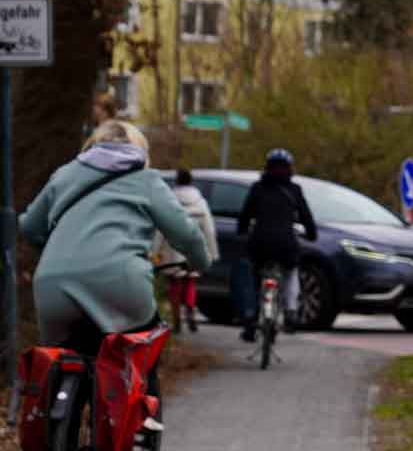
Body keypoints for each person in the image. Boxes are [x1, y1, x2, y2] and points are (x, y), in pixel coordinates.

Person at [20, 119, 212, 365]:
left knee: (59, 362)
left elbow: (28, 227)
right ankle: (140, 396)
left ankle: (51, 401)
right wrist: (200, 263)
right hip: (121, 284)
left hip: (54, 286)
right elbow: (187, 235)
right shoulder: (147, 181)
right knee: (143, 355)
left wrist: (54, 255)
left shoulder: (63, 175)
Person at [236, 148, 317, 339]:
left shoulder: (257, 188)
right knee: (291, 273)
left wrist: (241, 232)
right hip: (286, 244)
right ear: (290, 168)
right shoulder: (294, 190)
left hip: (260, 244)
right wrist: (312, 234)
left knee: (254, 279)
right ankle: (290, 312)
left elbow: (245, 215)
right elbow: (306, 216)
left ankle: (251, 320)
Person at [152, 166, 219, 334]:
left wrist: (154, 252)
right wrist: (212, 251)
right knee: (190, 281)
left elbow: (160, 228)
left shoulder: (169, 200)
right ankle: (190, 308)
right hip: (194, 246)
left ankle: (176, 318)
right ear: (191, 181)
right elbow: (209, 229)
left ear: (176, 181)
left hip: (173, 248)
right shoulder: (200, 202)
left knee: (174, 283)